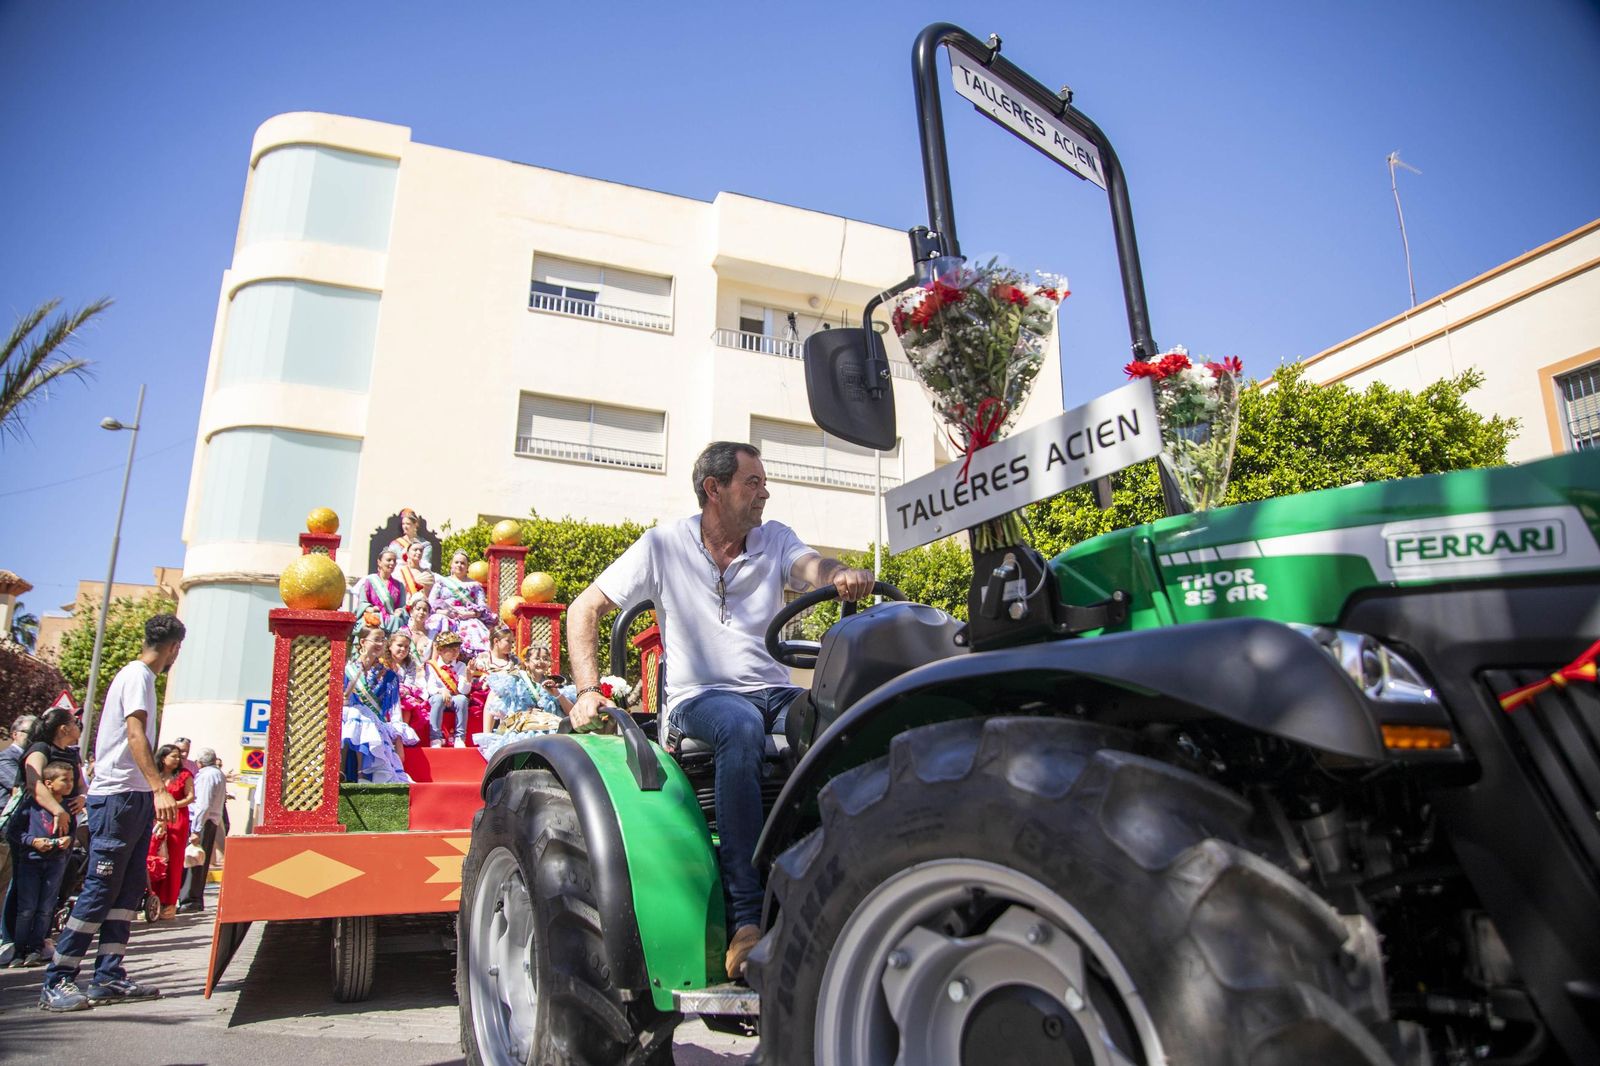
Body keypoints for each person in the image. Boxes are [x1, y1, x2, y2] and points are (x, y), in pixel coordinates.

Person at [567, 441, 874, 980]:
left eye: (763, 483)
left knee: (838, 717)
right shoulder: (663, 546)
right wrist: (588, 689)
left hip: (770, 690)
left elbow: (811, 566)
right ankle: (744, 918)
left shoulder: (773, 538)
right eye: (752, 482)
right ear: (714, 489)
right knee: (738, 724)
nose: (764, 492)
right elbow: (584, 608)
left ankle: (845, 887)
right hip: (699, 700)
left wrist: (839, 573)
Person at [41, 613, 185, 1012]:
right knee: (101, 888)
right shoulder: (138, 676)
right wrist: (159, 788)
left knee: (126, 890)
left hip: (132, 796)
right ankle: (59, 978)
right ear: (175, 647)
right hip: (119, 796)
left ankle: (108, 976)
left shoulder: (141, 677)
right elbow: (136, 733)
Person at [7, 762, 76, 967]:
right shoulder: (31, 805)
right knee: (26, 908)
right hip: (31, 861)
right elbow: (14, 831)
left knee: (46, 907)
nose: (70, 784)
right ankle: (20, 949)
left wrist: (68, 840)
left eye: (71, 780)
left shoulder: (68, 807)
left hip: (56, 862)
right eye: (64, 780)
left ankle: (36, 947)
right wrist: (33, 841)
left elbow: (71, 831)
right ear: (48, 783)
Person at [340, 627, 412, 783]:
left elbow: (395, 712)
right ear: (363, 642)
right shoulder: (347, 670)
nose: (381, 643)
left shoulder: (389, 676)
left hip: (376, 725)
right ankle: (341, 771)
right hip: (349, 724)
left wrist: (398, 740)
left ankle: (362, 774)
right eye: (376, 639)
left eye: (383, 640)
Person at [0, 714, 38, 958]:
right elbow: (21, 790)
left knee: (5, 888)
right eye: (28, 733)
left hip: (14, 834)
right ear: (15, 734)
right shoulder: (7, 758)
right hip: (3, 830)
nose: (32, 737)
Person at [143, 745, 193, 920]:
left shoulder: (184, 775)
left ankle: (170, 903)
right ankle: (151, 898)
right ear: (163, 758)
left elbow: (190, 797)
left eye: (179, 757)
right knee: (153, 857)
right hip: (156, 818)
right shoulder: (155, 775)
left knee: (173, 860)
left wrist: (172, 804)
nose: (177, 760)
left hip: (176, 819)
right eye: (173, 756)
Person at [177, 749, 226, 914]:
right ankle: (194, 898)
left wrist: (196, 829)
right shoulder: (217, 773)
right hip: (210, 820)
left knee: (193, 860)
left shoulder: (206, 776)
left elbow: (203, 804)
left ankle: (189, 899)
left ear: (199, 762)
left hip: (203, 822)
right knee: (199, 861)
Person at [428, 551, 494, 657]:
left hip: (468, 617)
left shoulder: (475, 586)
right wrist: (444, 612)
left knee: (473, 629)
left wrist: (469, 614)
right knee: (438, 621)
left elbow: (482, 609)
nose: (459, 565)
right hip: (445, 615)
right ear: (451, 564)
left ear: (467, 566)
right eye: (457, 562)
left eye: (463, 563)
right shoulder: (442, 582)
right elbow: (431, 603)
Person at [472, 626, 530, 733]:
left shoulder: (513, 659)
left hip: (510, 691)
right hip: (487, 691)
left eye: (512, 642)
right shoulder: (483, 658)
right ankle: (487, 733)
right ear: (496, 641)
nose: (511, 645)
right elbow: (477, 679)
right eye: (508, 641)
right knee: (495, 692)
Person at [425, 632, 470, 747]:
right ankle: (435, 737)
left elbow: (463, 691)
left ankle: (460, 737)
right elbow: (431, 687)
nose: (455, 652)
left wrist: (467, 679)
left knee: (462, 700)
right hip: (438, 696)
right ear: (440, 650)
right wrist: (441, 691)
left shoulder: (461, 666)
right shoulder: (432, 666)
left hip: (454, 697)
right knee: (438, 699)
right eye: (451, 649)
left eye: (457, 649)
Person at [352, 549, 407, 634]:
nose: (392, 563)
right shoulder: (369, 582)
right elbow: (362, 603)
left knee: (398, 623)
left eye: (394, 561)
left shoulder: (399, 585)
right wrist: (370, 608)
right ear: (379, 562)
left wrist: (400, 611)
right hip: (373, 617)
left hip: (393, 620)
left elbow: (403, 607)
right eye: (389, 560)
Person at [389, 630, 429, 737]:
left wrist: (404, 690)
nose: (403, 649)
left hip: (403, 692)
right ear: (390, 646)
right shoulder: (384, 661)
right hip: (387, 692)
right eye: (399, 645)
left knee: (408, 704)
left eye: (406, 647)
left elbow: (410, 680)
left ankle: (402, 732)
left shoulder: (409, 663)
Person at [402, 592, 434, 664]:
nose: (421, 612)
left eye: (425, 610)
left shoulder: (432, 635)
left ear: (429, 614)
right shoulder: (403, 632)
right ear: (411, 611)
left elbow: (433, 660)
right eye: (418, 609)